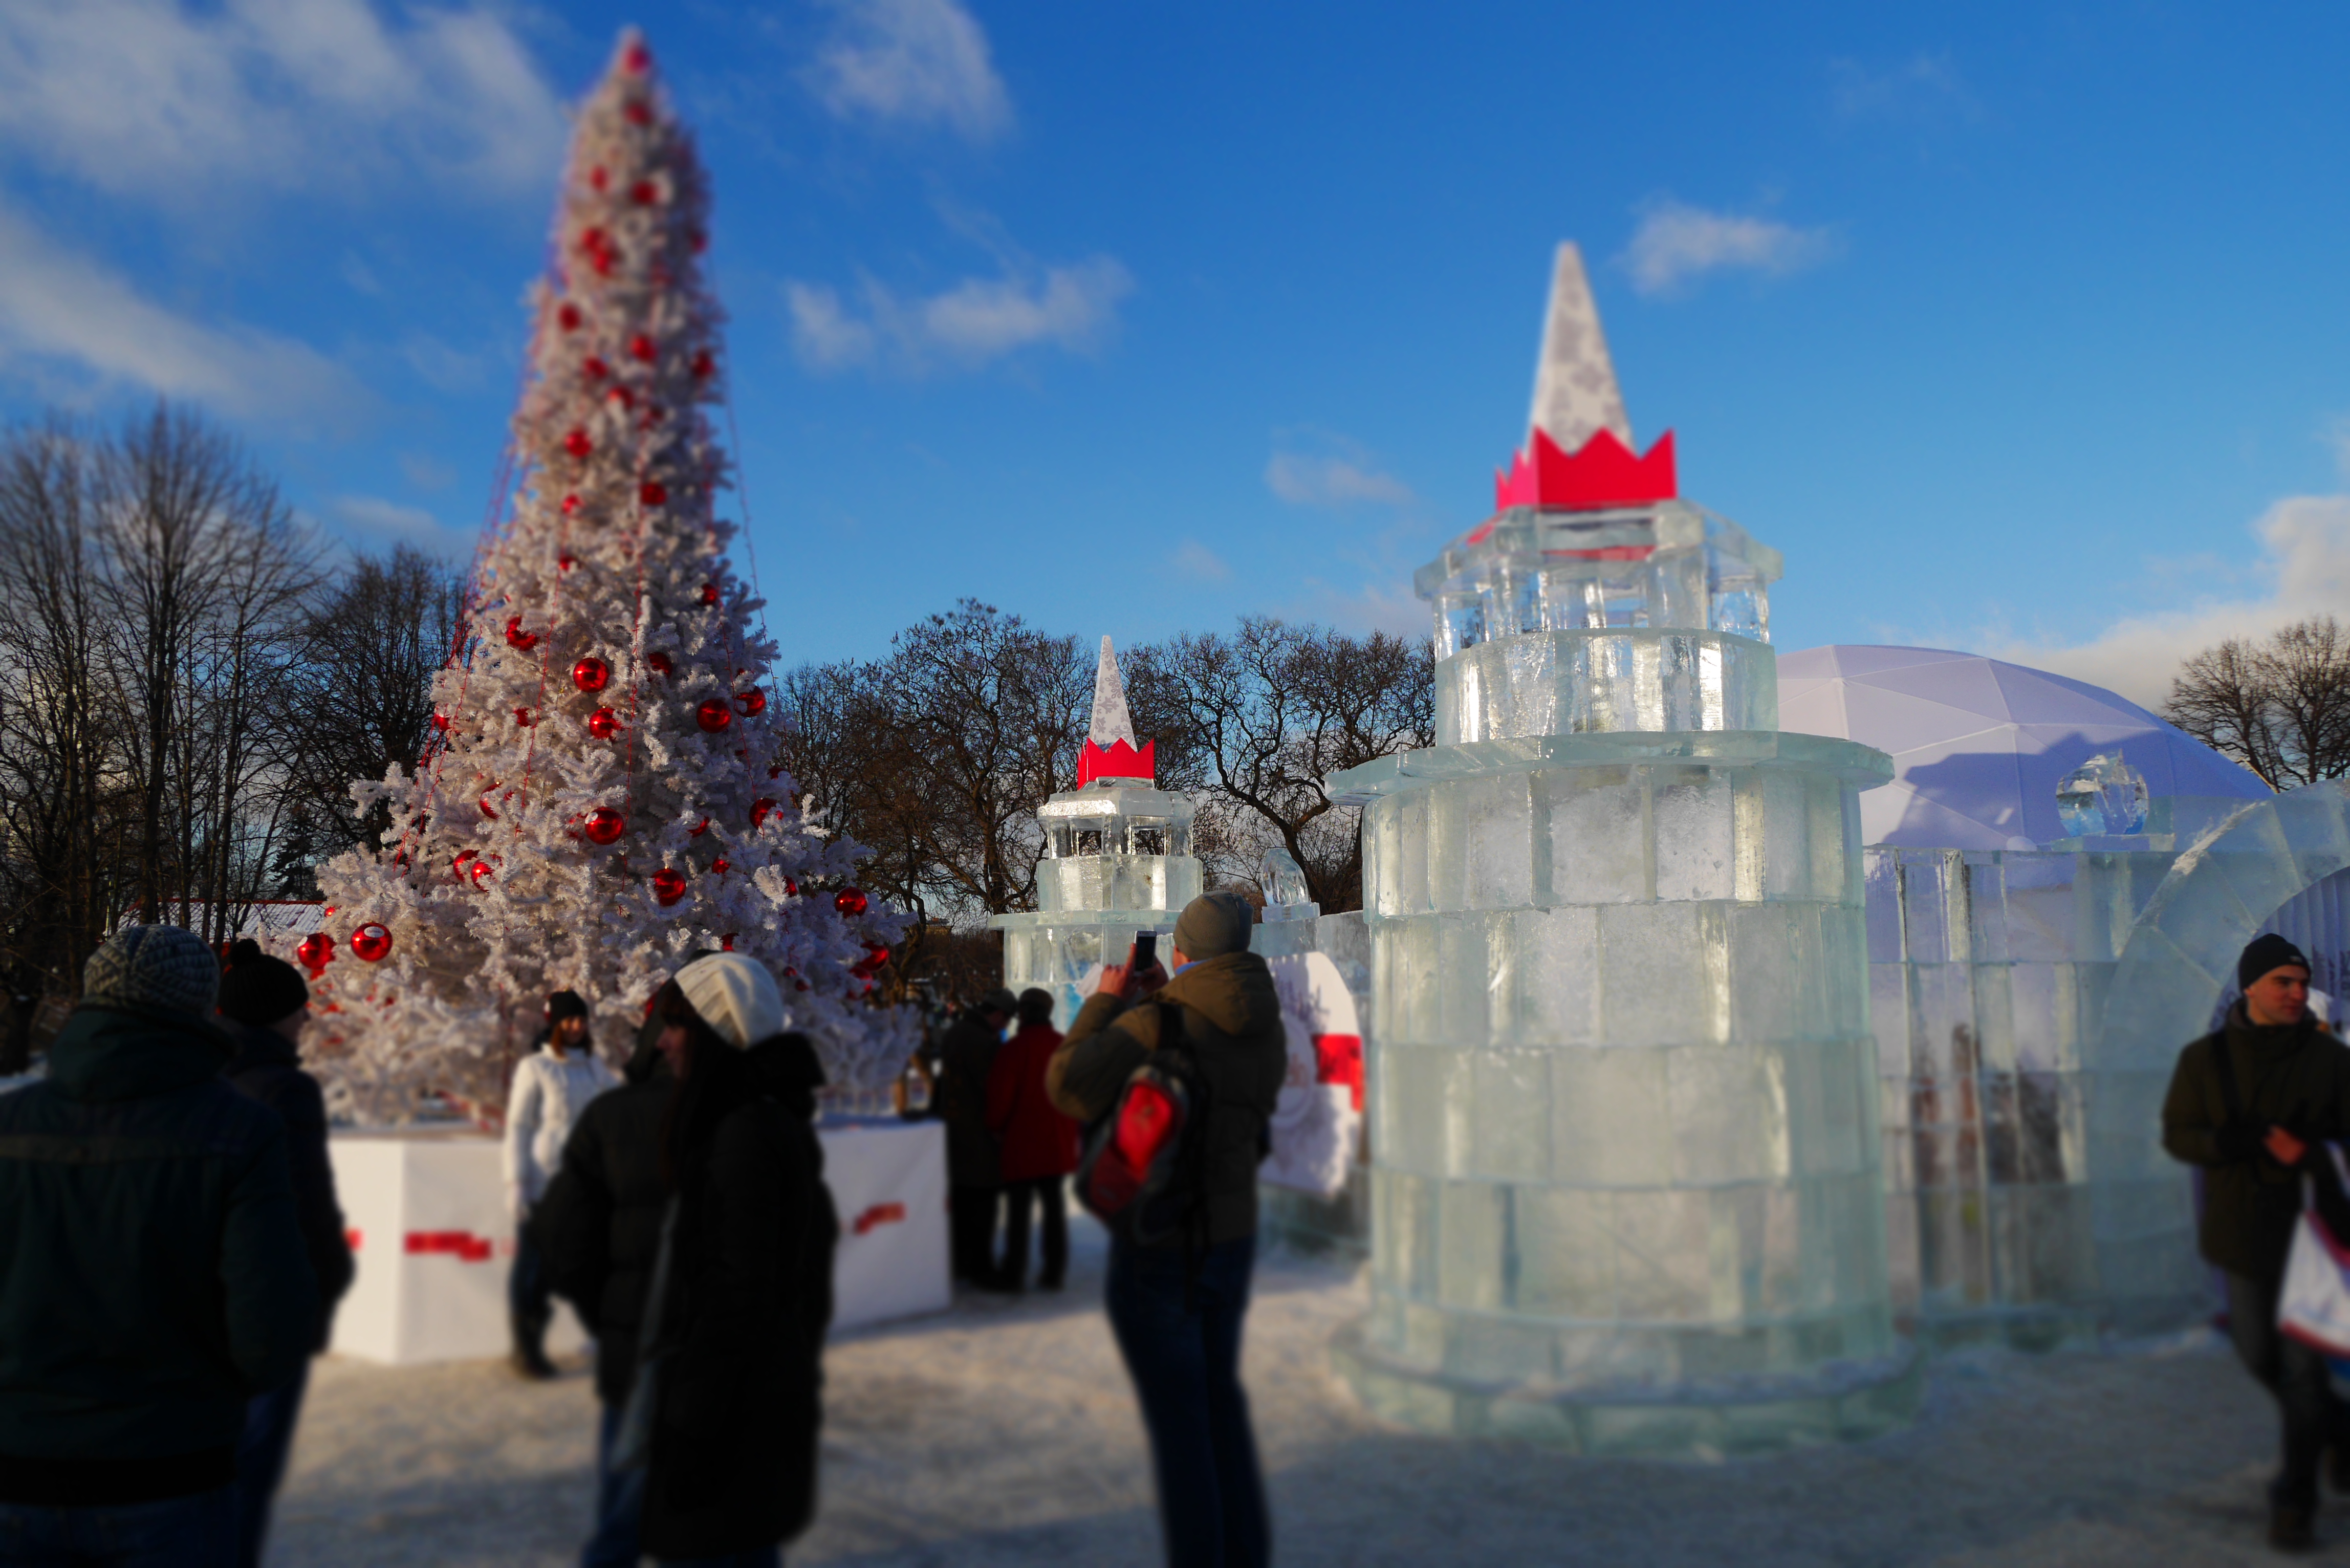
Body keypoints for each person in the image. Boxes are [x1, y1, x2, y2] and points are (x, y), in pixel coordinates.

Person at [0, 925, 315, 1567]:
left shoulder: (10, 1124)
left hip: (19, 1468)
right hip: (170, 1470)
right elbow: (269, 1333)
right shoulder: (240, 1130)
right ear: (199, 1009)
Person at [1047, 891, 1286, 1568]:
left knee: (1182, 1429)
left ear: (1179, 951)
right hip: (1230, 1233)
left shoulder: (1155, 1022)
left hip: (1162, 1241)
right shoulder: (1265, 1019)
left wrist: (1106, 1001)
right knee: (1219, 1408)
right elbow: (1213, 1061)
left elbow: (1068, 1085)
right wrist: (1166, 996)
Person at [635, 954, 837, 1567]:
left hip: (731, 1413)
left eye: (676, 1024)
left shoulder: (742, 1132)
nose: (663, 1041)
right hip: (746, 1401)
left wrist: (692, 1423)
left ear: (713, 1034)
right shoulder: (752, 1119)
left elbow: (739, 1293)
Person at [2163, 932, 2350, 1551]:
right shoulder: (2204, 1061)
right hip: (2241, 1235)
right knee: (2258, 1357)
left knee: (2301, 1375)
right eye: (2282, 982)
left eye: (2301, 983)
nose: (2296, 992)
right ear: (2250, 986)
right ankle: (2340, 1430)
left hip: (2310, 1235)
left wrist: (2310, 1155)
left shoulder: (2330, 1062)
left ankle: (2293, 1503)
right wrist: (2227, 1143)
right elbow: (2179, 1134)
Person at [215, 938, 355, 1568]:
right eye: (300, 1007)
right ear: (274, 1013)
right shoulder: (282, 1089)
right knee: (248, 1471)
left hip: (201, 1300)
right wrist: (328, 1284)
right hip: (269, 1304)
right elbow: (304, 1204)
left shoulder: (203, 1076)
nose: (307, 1018)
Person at [536, 1000, 682, 1568]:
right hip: (710, 1343)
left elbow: (564, 1237)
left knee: (625, 1500)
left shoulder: (613, 1110)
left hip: (634, 1331)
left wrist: (607, 1308)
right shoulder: (748, 1116)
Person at [504, 990, 619, 1379]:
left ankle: (603, 1333)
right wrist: (516, 1181)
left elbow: (614, 1108)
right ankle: (527, 1345)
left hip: (588, 1182)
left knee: (590, 1260)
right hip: (546, 1181)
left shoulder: (593, 1066)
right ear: (554, 1024)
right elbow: (519, 1126)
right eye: (568, 1020)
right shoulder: (537, 1068)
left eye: (581, 1020)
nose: (575, 1027)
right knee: (535, 1266)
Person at [987, 988, 1077, 1292]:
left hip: (1021, 1143)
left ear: (1023, 1013)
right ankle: (1054, 1272)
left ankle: (1014, 1273)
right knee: (1054, 1209)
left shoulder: (1014, 1049)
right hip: (1057, 1141)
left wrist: (994, 1128)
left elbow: (999, 1101)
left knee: (1018, 1212)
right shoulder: (1063, 1046)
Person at [935, 988, 1016, 1289]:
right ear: (999, 1015)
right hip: (978, 1136)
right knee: (982, 1205)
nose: (1005, 1027)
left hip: (954, 1131)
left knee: (960, 1202)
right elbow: (994, 1089)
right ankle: (981, 1269)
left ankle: (959, 1263)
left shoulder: (957, 1030)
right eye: (1007, 1021)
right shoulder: (982, 1041)